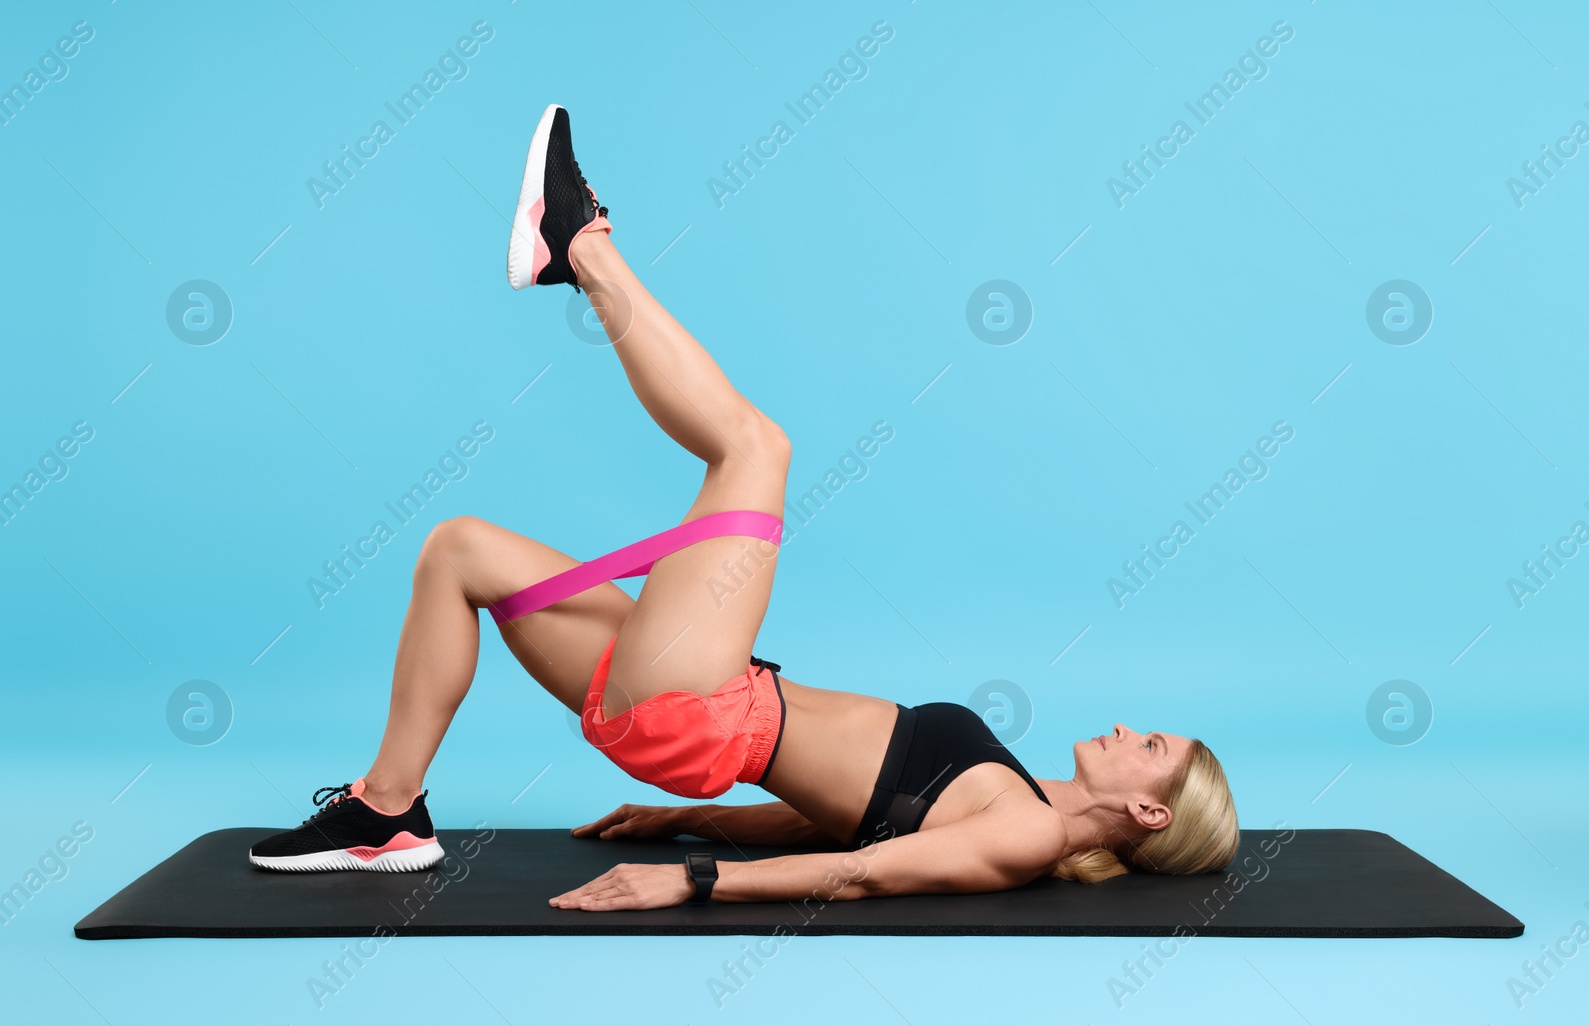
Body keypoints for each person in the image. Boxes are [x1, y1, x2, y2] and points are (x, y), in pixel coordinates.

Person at [248, 105, 1239, 909]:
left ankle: (578, 246)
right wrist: (683, 820)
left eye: (1150, 748)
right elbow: (838, 821)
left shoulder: (1024, 832)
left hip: (704, 708)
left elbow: (859, 874)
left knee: (757, 447)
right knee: (458, 550)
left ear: (1149, 815)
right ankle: (386, 812)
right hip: (691, 706)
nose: (1128, 730)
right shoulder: (1027, 802)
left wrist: (686, 881)